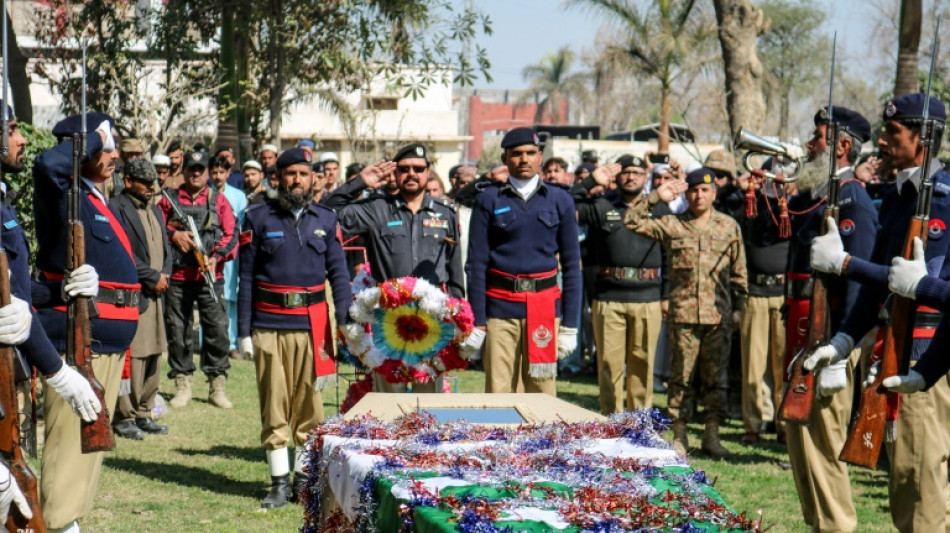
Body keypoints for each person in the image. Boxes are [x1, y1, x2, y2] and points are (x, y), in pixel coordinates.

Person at [806, 94, 950, 532]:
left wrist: (846, 265)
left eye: (892, 132)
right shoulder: (902, 195)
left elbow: (917, 282)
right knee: (903, 482)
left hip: (927, 348)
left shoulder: (939, 198)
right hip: (899, 346)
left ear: (922, 137)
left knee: (921, 484)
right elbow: (886, 280)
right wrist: (845, 338)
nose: (882, 141)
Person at [33, 112, 141, 532]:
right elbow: (47, 165)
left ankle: (69, 524)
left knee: (85, 460)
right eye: (104, 146)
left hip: (105, 343)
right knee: (68, 458)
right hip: (79, 343)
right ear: (79, 149)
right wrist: (89, 140)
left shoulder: (93, 196)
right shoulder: (64, 191)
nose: (113, 154)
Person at [779, 106, 877, 533]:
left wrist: (843, 349)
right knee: (804, 450)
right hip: (810, 337)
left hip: (831, 341)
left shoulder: (854, 197)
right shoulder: (827, 194)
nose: (807, 144)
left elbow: (860, 283)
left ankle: (836, 526)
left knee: (823, 448)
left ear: (840, 145)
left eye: (816, 137)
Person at [237, 148, 352, 508]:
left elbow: (340, 274)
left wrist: (345, 319)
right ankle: (278, 484)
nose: (297, 180)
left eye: (304, 174)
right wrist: (243, 332)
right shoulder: (257, 218)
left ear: (314, 178)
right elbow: (245, 278)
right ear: (279, 178)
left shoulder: (327, 219)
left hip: (312, 325)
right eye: (291, 174)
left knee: (309, 404)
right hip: (269, 324)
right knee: (274, 402)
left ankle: (304, 482)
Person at [624, 167, 747, 458]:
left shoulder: (729, 227)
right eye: (693, 190)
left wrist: (740, 310)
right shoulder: (673, 224)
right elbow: (632, 220)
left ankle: (712, 434)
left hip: (718, 316)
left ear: (714, 193)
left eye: (705, 190)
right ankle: (680, 434)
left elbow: (739, 274)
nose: (699, 195)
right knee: (681, 377)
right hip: (683, 315)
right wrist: (656, 196)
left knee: (716, 377)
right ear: (686, 193)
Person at [323, 144, 463, 392]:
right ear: (395, 174)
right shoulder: (376, 209)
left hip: (431, 318)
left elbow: (454, 271)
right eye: (404, 169)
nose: (412, 173)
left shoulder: (445, 214)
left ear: (428, 172)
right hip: (388, 318)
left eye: (418, 169)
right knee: (390, 398)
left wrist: (459, 316)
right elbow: (325, 212)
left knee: (428, 398)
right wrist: (360, 183)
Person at [467, 128, 582, 395]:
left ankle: (543, 438)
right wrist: (478, 320)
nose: (524, 159)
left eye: (531, 153)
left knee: (542, 391)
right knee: (498, 390)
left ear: (541, 156)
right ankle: (499, 438)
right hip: (500, 308)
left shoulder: (560, 199)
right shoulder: (488, 199)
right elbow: (476, 264)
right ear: (505, 158)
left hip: (544, 307)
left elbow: (572, 266)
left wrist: (570, 325)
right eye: (516, 154)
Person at [579, 155, 669, 414]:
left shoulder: (660, 209)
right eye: (626, 172)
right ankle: (612, 420)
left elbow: (670, 256)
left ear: (645, 177)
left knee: (643, 363)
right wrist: (590, 181)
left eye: (637, 173)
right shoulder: (602, 205)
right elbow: (569, 200)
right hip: (609, 296)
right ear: (616, 177)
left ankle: (641, 422)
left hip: (648, 297)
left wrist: (666, 296)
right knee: (608, 364)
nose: (631, 177)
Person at [157, 151, 238, 409]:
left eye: (201, 169)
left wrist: (217, 258)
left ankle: (217, 384)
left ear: (207, 171)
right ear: (184, 170)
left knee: (216, 329)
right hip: (178, 277)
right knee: (178, 330)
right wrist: (174, 235)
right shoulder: (169, 199)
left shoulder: (219, 200)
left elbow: (231, 234)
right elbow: (155, 228)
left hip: (209, 275)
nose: (196, 173)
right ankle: (182, 382)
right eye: (192, 168)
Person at [110, 158, 172, 440]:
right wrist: (151, 277)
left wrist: (165, 274)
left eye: (154, 183)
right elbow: (123, 254)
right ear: (128, 181)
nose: (151, 187)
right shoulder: (116, 208)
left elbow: (167, 249)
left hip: (158, 292)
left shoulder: (156, 210)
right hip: (135, 293)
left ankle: (145, 411)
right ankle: (125, 415)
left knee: (156, 352)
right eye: (145, 183)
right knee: (135, 356)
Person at [210, 156, 249, 361]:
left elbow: (240, 228)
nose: (217, 176)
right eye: (214, 172)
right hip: (208, 254)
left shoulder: (239, 196)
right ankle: (207, 342)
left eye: (221, 172)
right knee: (210, 296)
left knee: (230, 297)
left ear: (228, 173)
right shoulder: (204, 194)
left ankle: (232, 343)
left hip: (231, 255)